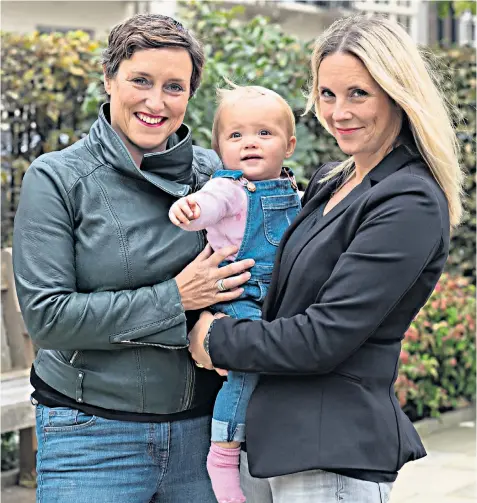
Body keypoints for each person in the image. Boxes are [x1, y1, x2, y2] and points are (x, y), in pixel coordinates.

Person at [188, 14, 464, 503]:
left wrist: (216, 338)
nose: (339, 112)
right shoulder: (331, 180)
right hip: (269, 440)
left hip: (329, 454)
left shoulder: (409, 200)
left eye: (358, 93)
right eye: (328, 94)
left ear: (397, 93)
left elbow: (324, 337)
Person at [12, 14, 255, 503]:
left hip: (203, 437)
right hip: (91, 436)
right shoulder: (58, 178)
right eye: (140, 81)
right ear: (109, 79)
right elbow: (48, 319)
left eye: (174, 87)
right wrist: (176, 298)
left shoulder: (216, 174)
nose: (156, 102)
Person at [169, 85, 301, 503]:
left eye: (264, 133)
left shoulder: (295, 192)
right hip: (241, 297)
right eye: (236, 135)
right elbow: (208, 206)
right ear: (219, 147)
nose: (249, 143)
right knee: (245, 371)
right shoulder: (228, 189)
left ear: (289, 145)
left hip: (280, 296)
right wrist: (190, 211)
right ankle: (223, 453)